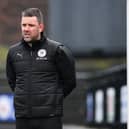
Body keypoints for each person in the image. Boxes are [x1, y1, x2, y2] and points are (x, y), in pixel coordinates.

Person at [6, 8, 76, 129]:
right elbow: (12, 82)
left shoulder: (57, 50)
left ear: (41, 27)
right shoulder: (13, 52)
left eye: (31, 25)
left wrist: (53, 98)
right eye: (24, 25)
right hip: (23, 117)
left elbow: (70, 82)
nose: (26, 29)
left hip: (50, 118)